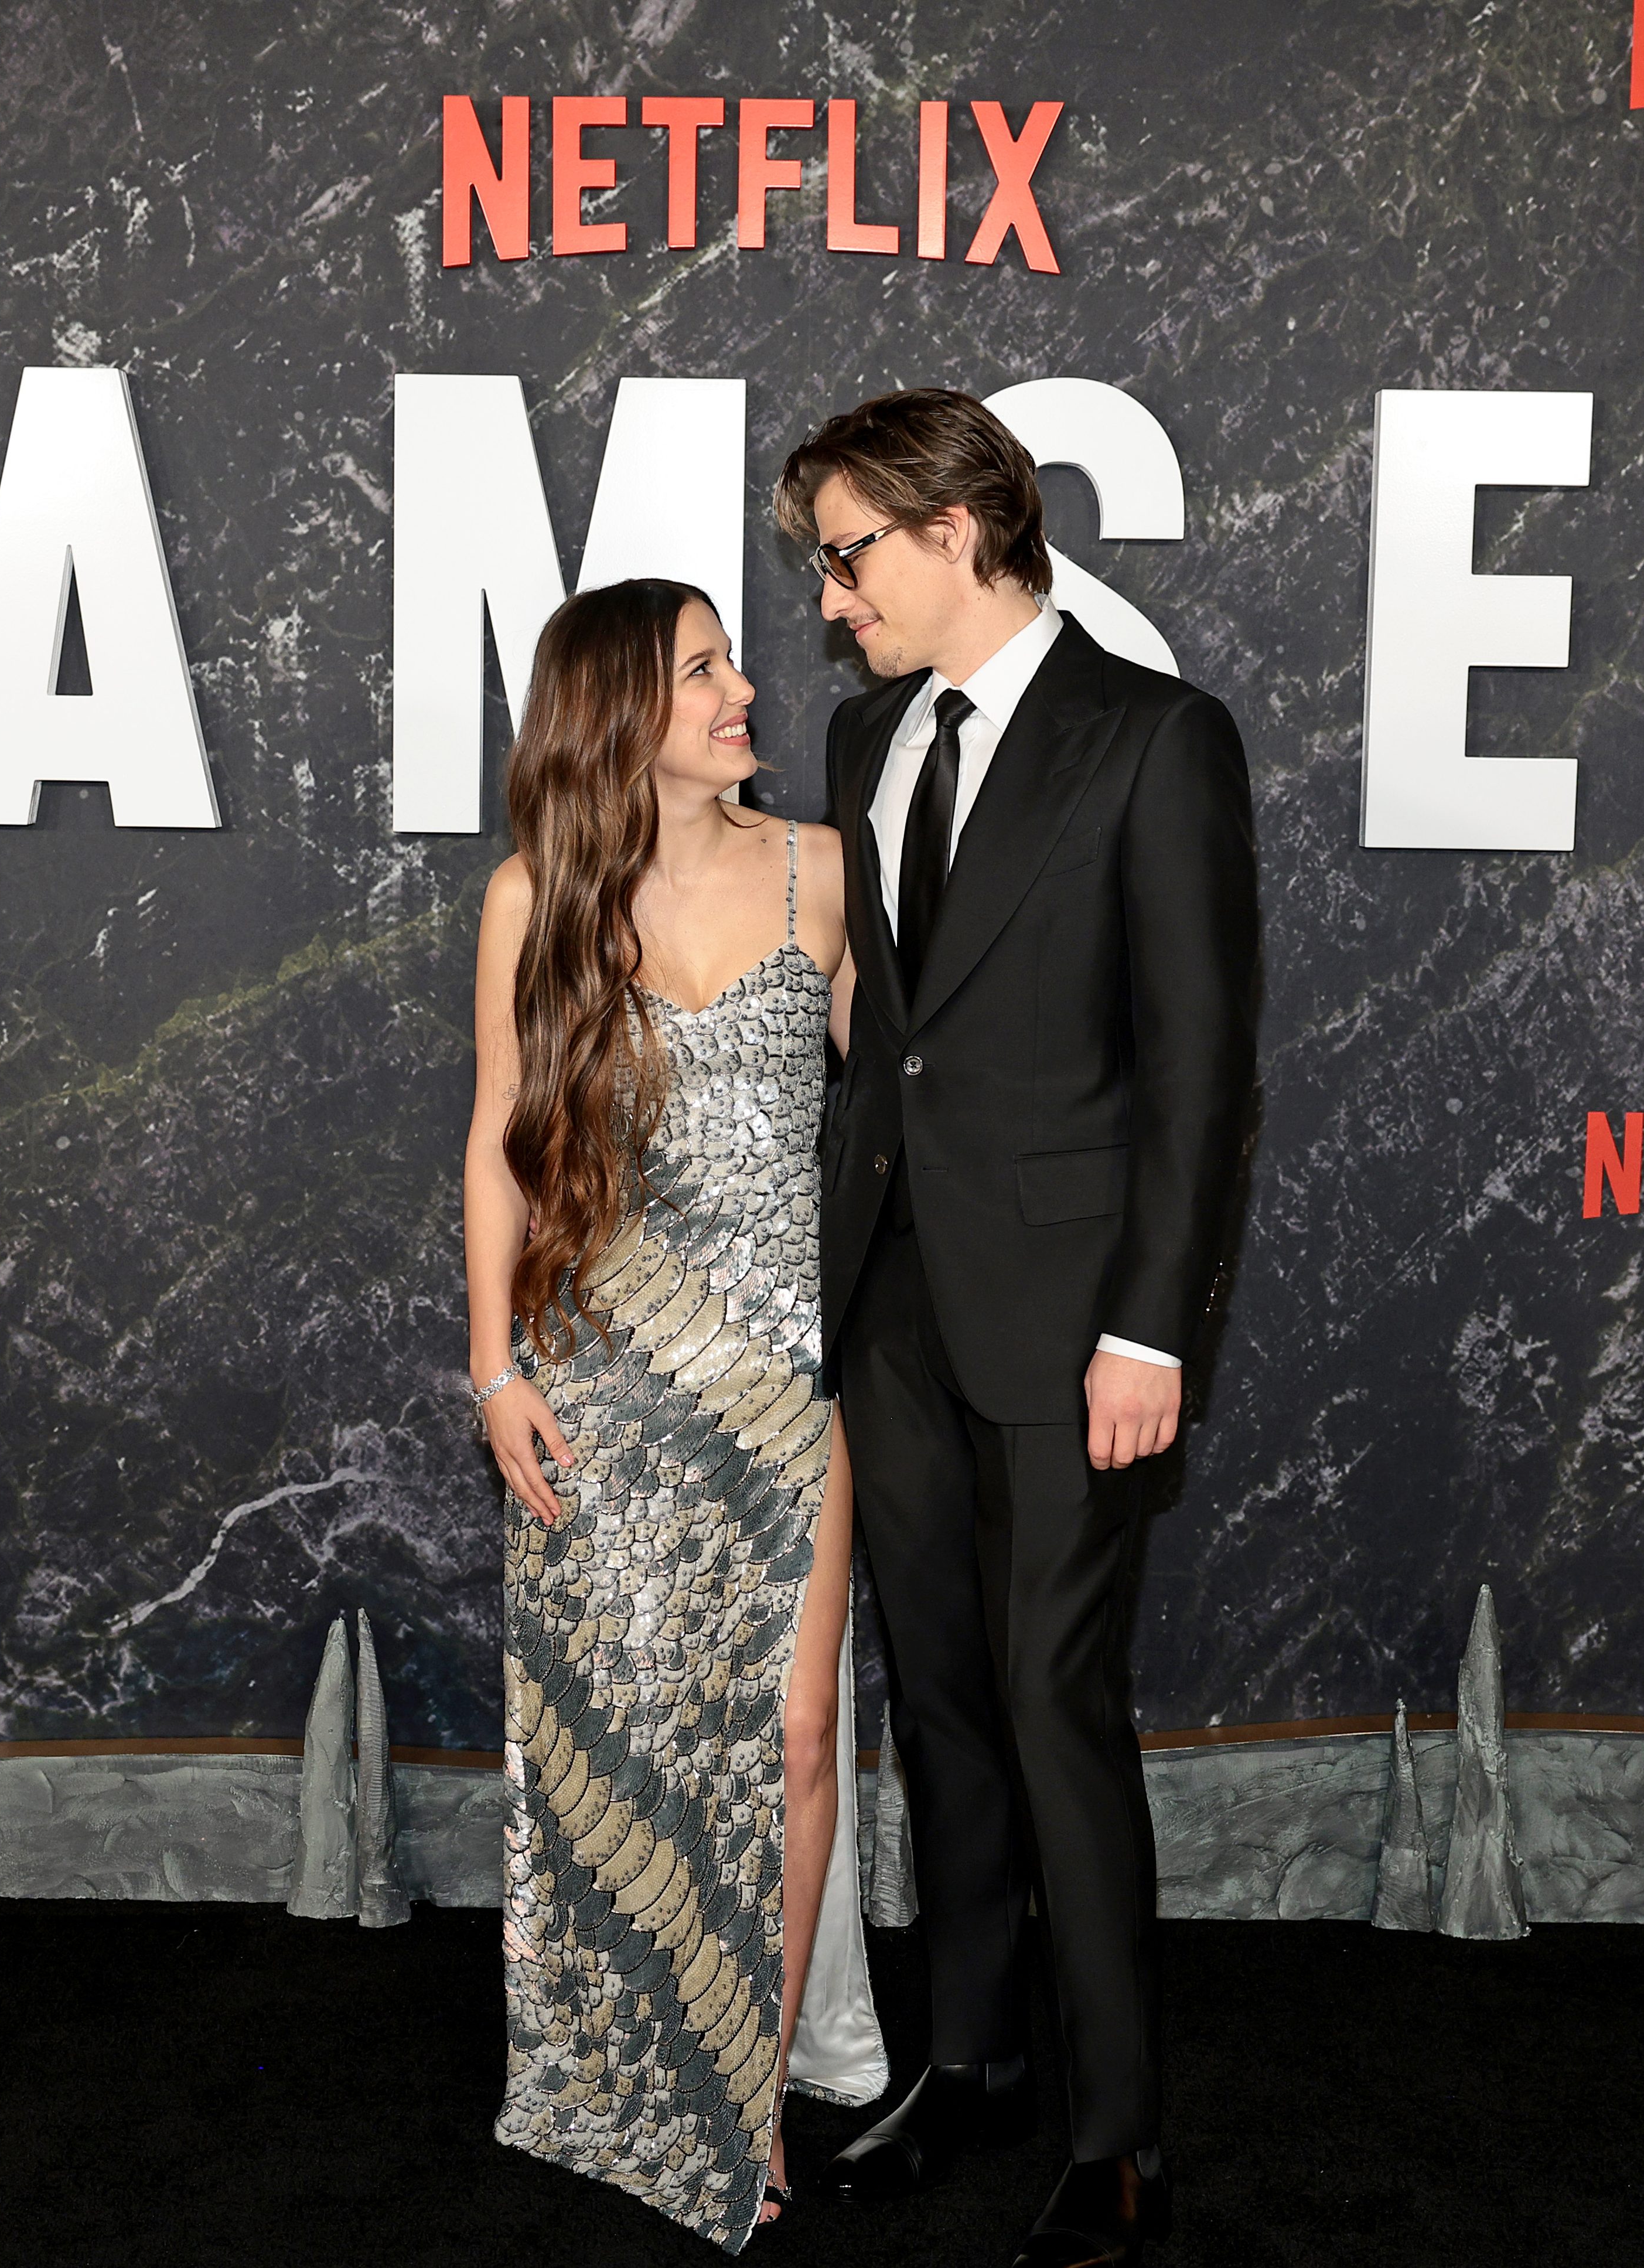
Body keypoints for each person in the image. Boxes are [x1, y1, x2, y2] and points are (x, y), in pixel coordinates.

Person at [774, 391, 1258, 2268]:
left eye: (847, 555)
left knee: (1057, 1707)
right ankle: (965, 2062)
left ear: (961, 523)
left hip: (1075, 1329)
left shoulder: (1154, 742)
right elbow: (886, 1037)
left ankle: (1118, 2133)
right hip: (892, 1304)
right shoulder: (863, 733)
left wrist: (1152, 1332)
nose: (829, 603)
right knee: (948, 1705)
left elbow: (1202, 1073)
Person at [464, 578, 886, 2253]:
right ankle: (615, 2065)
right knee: (616, 1742)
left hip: (786, 1382)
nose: (745, 689)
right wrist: (494, 1367)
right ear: (618, 718)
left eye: (729, 659)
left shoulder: (825, 872)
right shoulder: (534, 899)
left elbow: (899, 1110)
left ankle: (748, 2094)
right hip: (598, 1373)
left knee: (788, 1738)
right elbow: (502, 1133)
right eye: (704, 668)